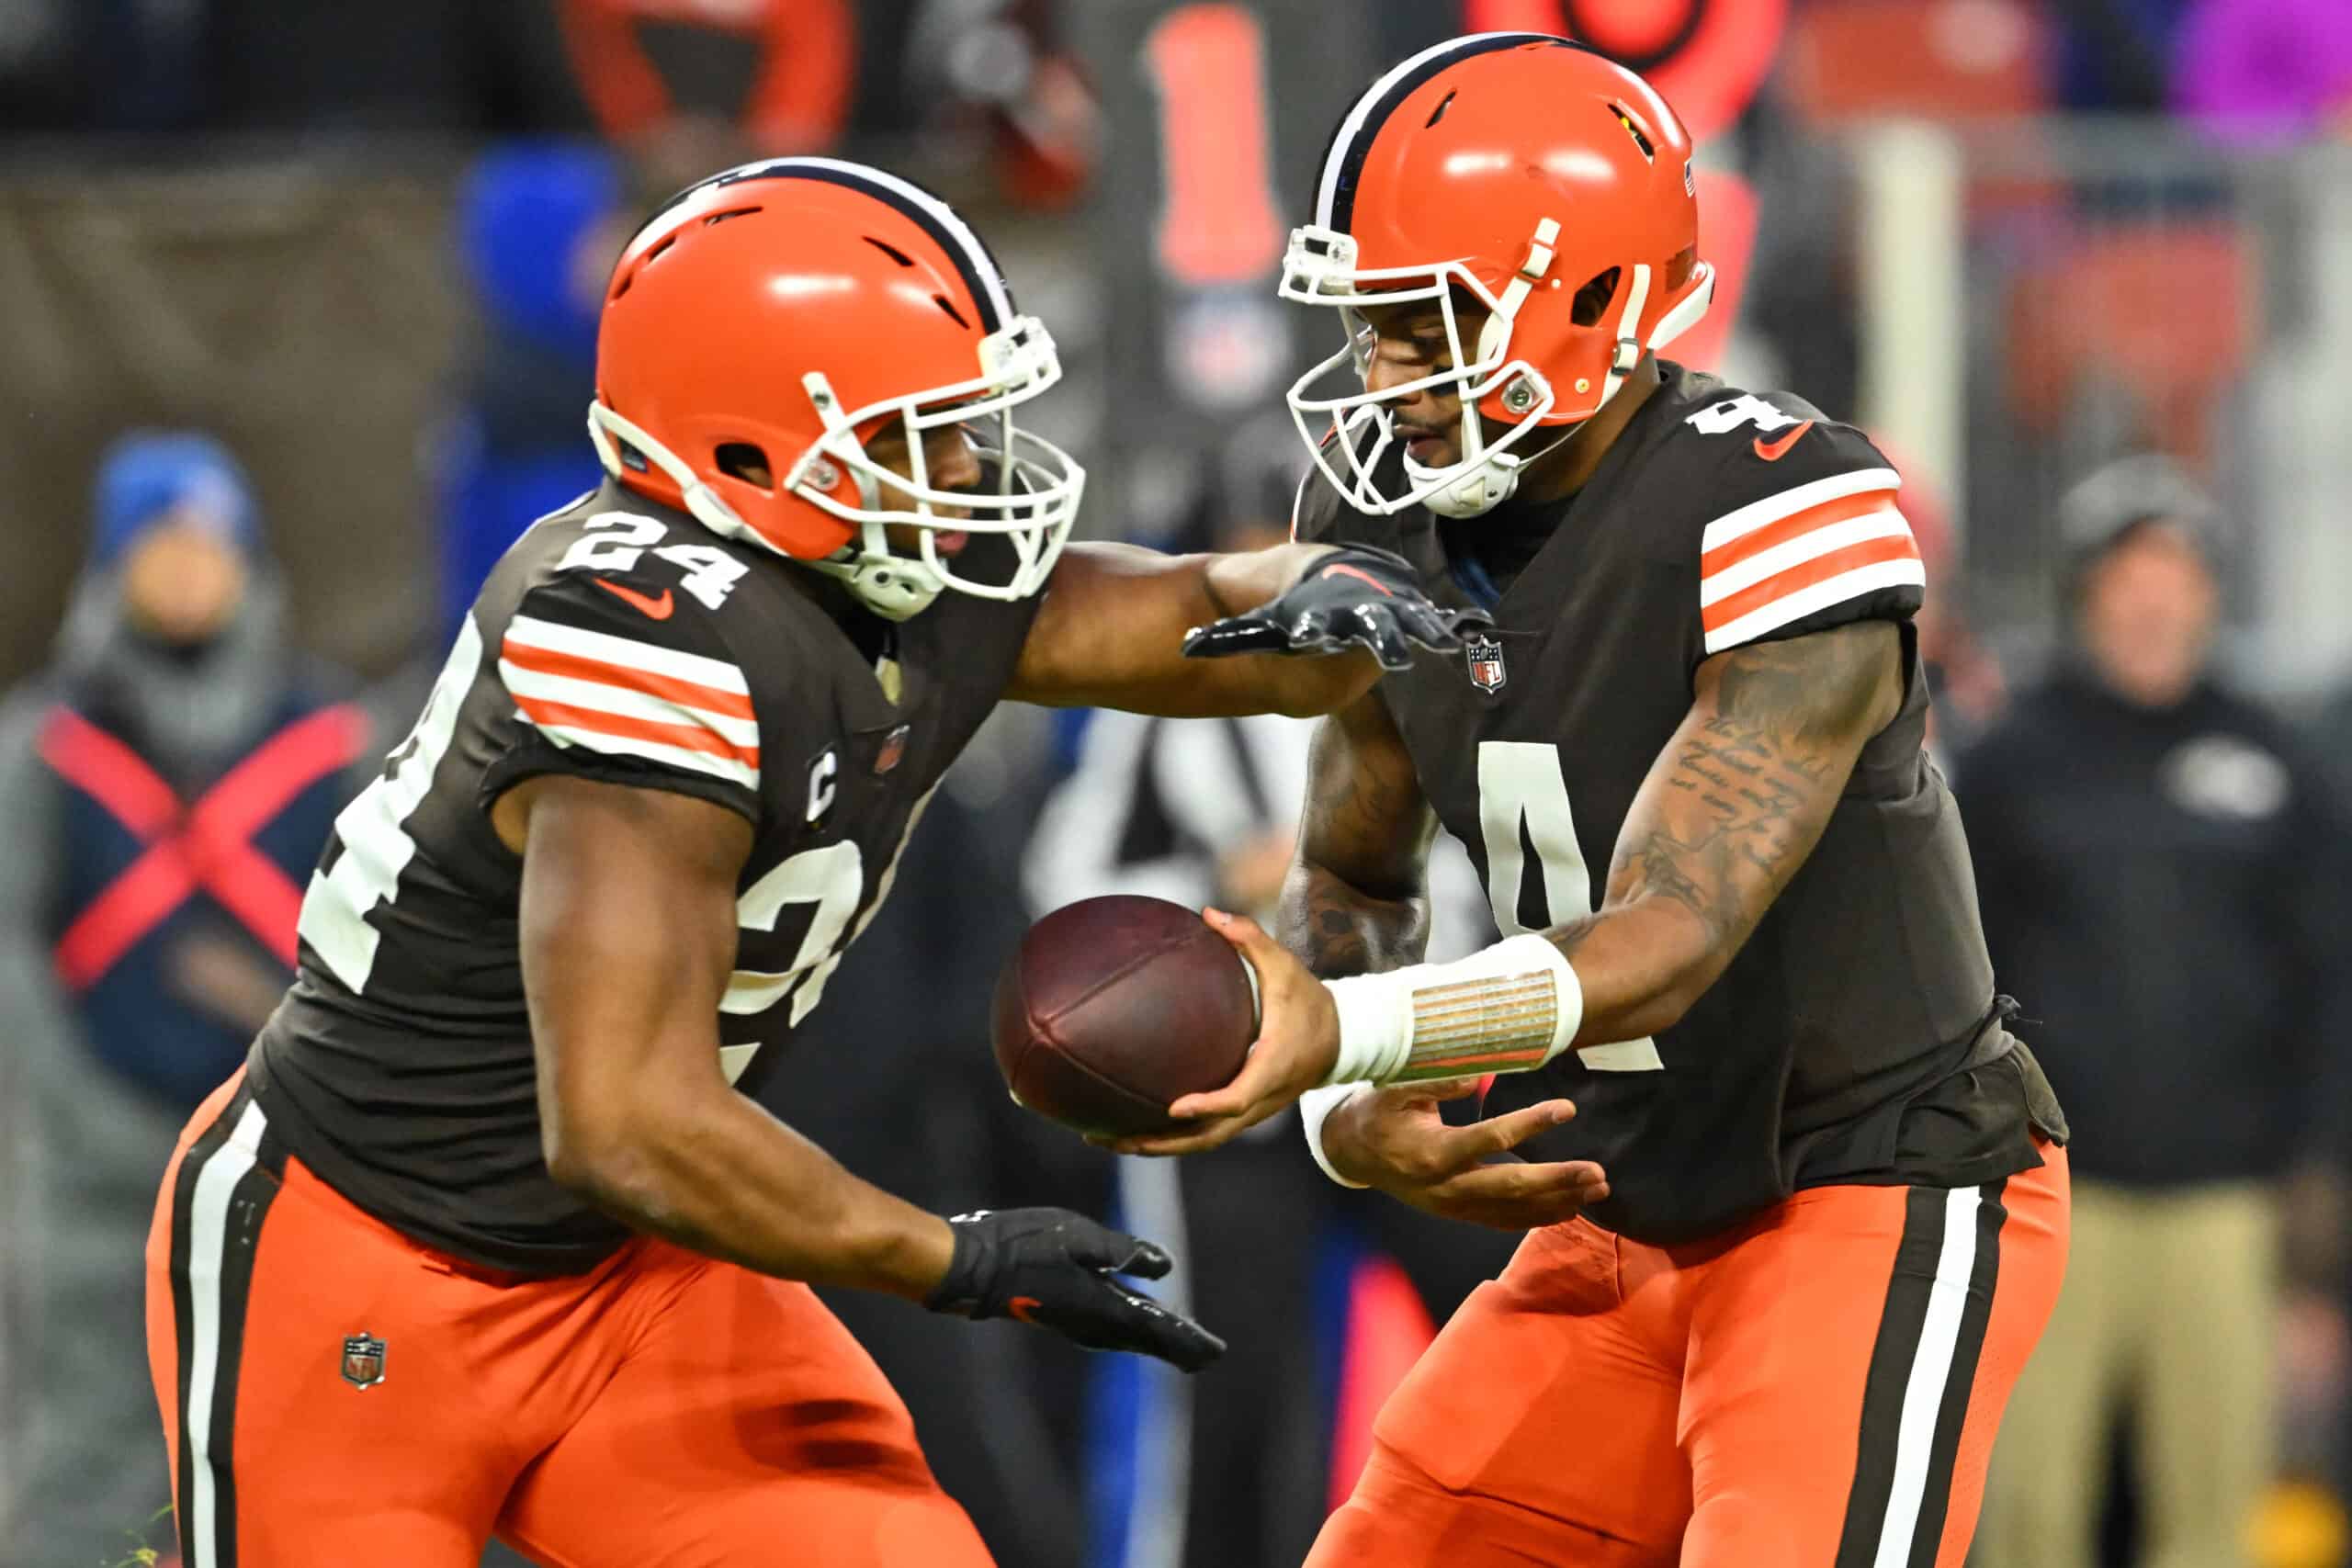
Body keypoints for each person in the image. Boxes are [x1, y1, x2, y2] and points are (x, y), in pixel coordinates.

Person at [141, 156, 1481, 1568]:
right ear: (745, 452)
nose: (971, 473)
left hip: (627, 1269)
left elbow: (1198, 616)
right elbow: (623, 1118)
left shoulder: (885, 568)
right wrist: (952, 1255)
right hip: (368, 1257)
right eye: (927, 436)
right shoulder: (641, 636)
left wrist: (1410, 598)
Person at [1113, 35, 2072, 1566]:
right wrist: (1351, 1106)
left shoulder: (1778, 499)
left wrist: (1349, 1035)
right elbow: (1357, 876)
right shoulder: (1376, 520)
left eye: (1429, 323)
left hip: (1866, 1181)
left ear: (1599, 301)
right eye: (1370, 325)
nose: (1388, 377)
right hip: (1618, 1200)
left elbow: (1674, 928)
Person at [1962, 457, 2352, 1568]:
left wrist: (2315, 1207)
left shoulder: (2275, 762)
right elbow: (1950, 972)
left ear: (2208, 597)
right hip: (2049, 1197)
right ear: (2085, 595)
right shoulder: (2009, 762)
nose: (2150, 601)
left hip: (2225, 1206)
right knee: (2029, 1506)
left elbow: (2326, 984)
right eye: (2127, 576)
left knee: (2211, 1508)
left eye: (2174, 576)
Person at [0, 433, 368, 1566]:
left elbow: (379, 950)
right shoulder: (47, 747)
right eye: (158, 545)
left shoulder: (338, 742)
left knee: (306, 1447)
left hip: (292, 1160)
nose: (187, 569)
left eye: (208, 544)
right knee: (91, 1446)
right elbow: (11, 944)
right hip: (93, 1168)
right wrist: (80, 1118)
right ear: (113, 565)